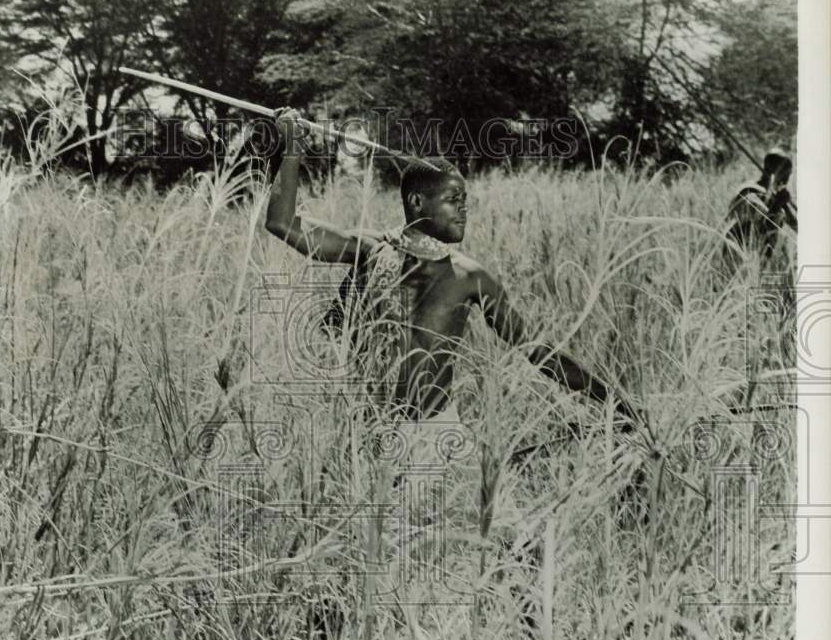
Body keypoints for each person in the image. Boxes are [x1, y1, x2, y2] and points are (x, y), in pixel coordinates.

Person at [264, 108, 640, 434]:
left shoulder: (470, 277)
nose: (463, 210)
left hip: (435, 432)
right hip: (366, 430)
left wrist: (614, 403)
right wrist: (292, 146)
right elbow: (283, 224)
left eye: (465, 201)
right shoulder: (371, 250)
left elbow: (539, 351)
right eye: (452, 199)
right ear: (416, 201)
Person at [725, 147, 797, 262]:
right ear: (771, 170)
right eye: (785, 173)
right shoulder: (750, 192)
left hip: (761, 259)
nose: (787, 179)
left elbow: (795, 225)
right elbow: (757, 231)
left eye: (789, 174)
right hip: (741, 259)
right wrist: (777, 205)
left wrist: (785, 206)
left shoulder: (773, 194)